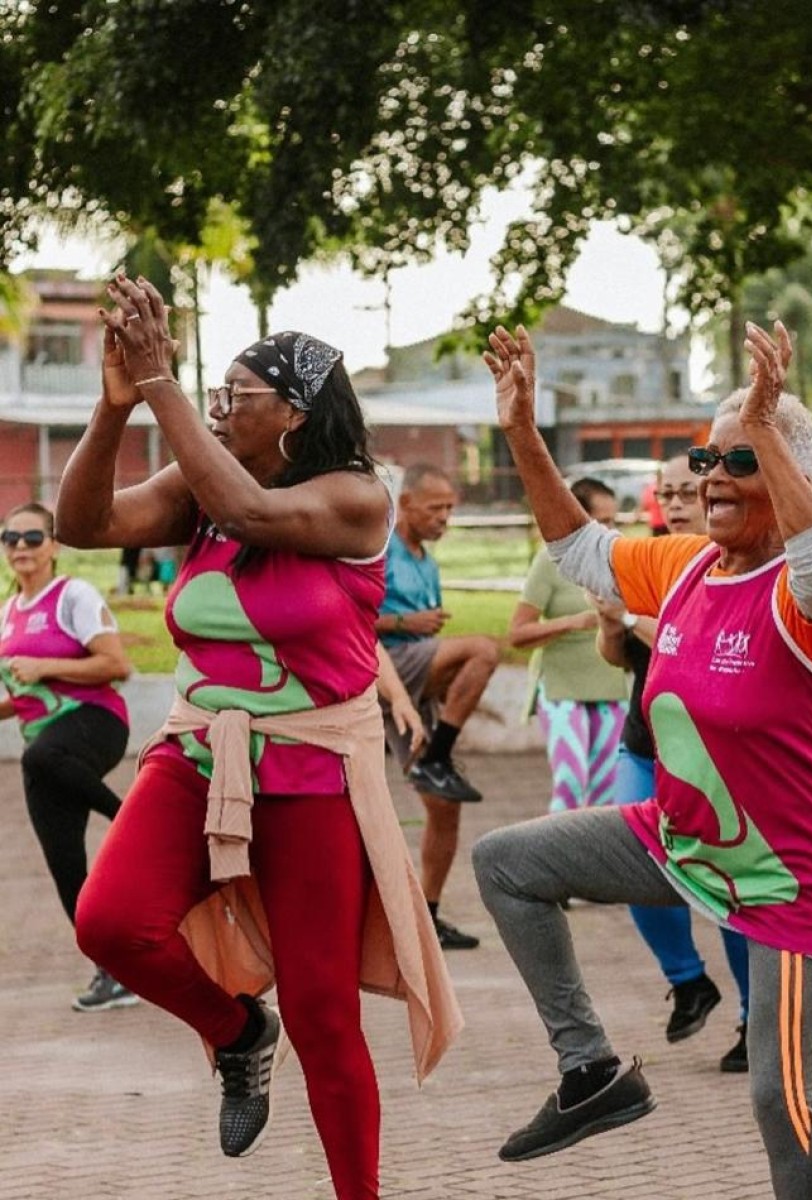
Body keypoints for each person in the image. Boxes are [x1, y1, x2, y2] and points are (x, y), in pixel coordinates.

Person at [57, 274, 461, 1200]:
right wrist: (116, 404)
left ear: (295, 411)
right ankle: (240, 1035)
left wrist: (162, 385)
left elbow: (252, 513)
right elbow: (85, 524)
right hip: (201, 748)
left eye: (236, 398)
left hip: (313, 769)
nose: (220, 410)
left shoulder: (357, 498)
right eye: (219, 396)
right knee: (110, 923)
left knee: (324, 1014)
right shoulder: (200, 489)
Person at [475, 320, 812, 1199]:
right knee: (507, 864)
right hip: (677, 838)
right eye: (706, 457)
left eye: (740, 461)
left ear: (789, 477)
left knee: (779, 1103)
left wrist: (767, 426)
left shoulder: (810, 597)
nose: (712, 475)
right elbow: (576, 548)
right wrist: (523, 431)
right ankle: (590, 1073)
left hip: (782, 875)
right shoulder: (686, 566)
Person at [593, 455, 751, 1072]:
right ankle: (688, 980)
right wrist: (611, 624)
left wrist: (630, 618)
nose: (681, 502)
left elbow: (690, 644)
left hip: (715, 759)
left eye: (692, 490)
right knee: (634, 868)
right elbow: (619, 656)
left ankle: (752, 1020)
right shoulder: (643, 560)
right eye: (670, 493)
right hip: (645, 742)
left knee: (725, 890)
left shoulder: (729, 560)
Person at [0, 501, 136, 1012]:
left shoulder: (73, 595)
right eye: (10, 538)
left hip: (97, 725)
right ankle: (114, 972)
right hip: (50, 749)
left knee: (37, 758)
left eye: (33, 538)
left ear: (54, 546)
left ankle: (130, 818)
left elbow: (116, 665)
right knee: (64, 866)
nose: (20, 548)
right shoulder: (7, 614)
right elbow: (24, 697)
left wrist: (43, 664)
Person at [376, 462, 501, 950]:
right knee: (485, 648)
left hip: (418, 678)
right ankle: (437, 755)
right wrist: (406, 623)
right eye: (436, 508)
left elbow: (431, 632)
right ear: (405, 504)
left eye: (450, 509)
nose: (445, 518)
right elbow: (349, 616)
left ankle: (427, 918)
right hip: (384, 668)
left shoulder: (425, 558)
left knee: (444, 808)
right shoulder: (379, 547)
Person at [509, 477, 629, 813]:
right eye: (601, 522)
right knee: (571, 784)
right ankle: (556, 863)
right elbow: (517, 634)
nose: (610, 530)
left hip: (612, 690)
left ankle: (592, 865)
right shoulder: (550, 562)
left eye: (614, 520)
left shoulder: (621, 558)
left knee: (606, 795)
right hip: (561, 689)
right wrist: (576, 622)